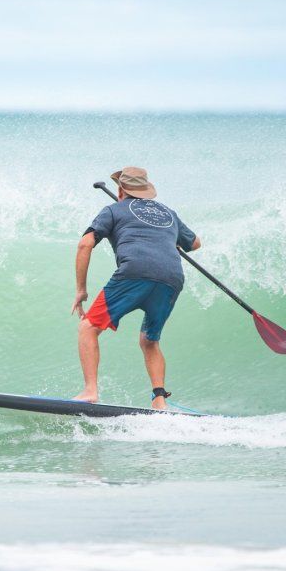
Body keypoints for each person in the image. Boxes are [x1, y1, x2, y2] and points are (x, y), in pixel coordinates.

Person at [71, 166, 201, 410]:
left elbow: (84, 244)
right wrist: (169, 241)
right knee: (150, 341)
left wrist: (81, 290)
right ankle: (159, 400)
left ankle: (90, 391)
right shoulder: (168, 214)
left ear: (120, 191)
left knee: (88, 327)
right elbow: (194, 243)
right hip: (172, 278)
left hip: (134, 273)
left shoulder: (113, 210)